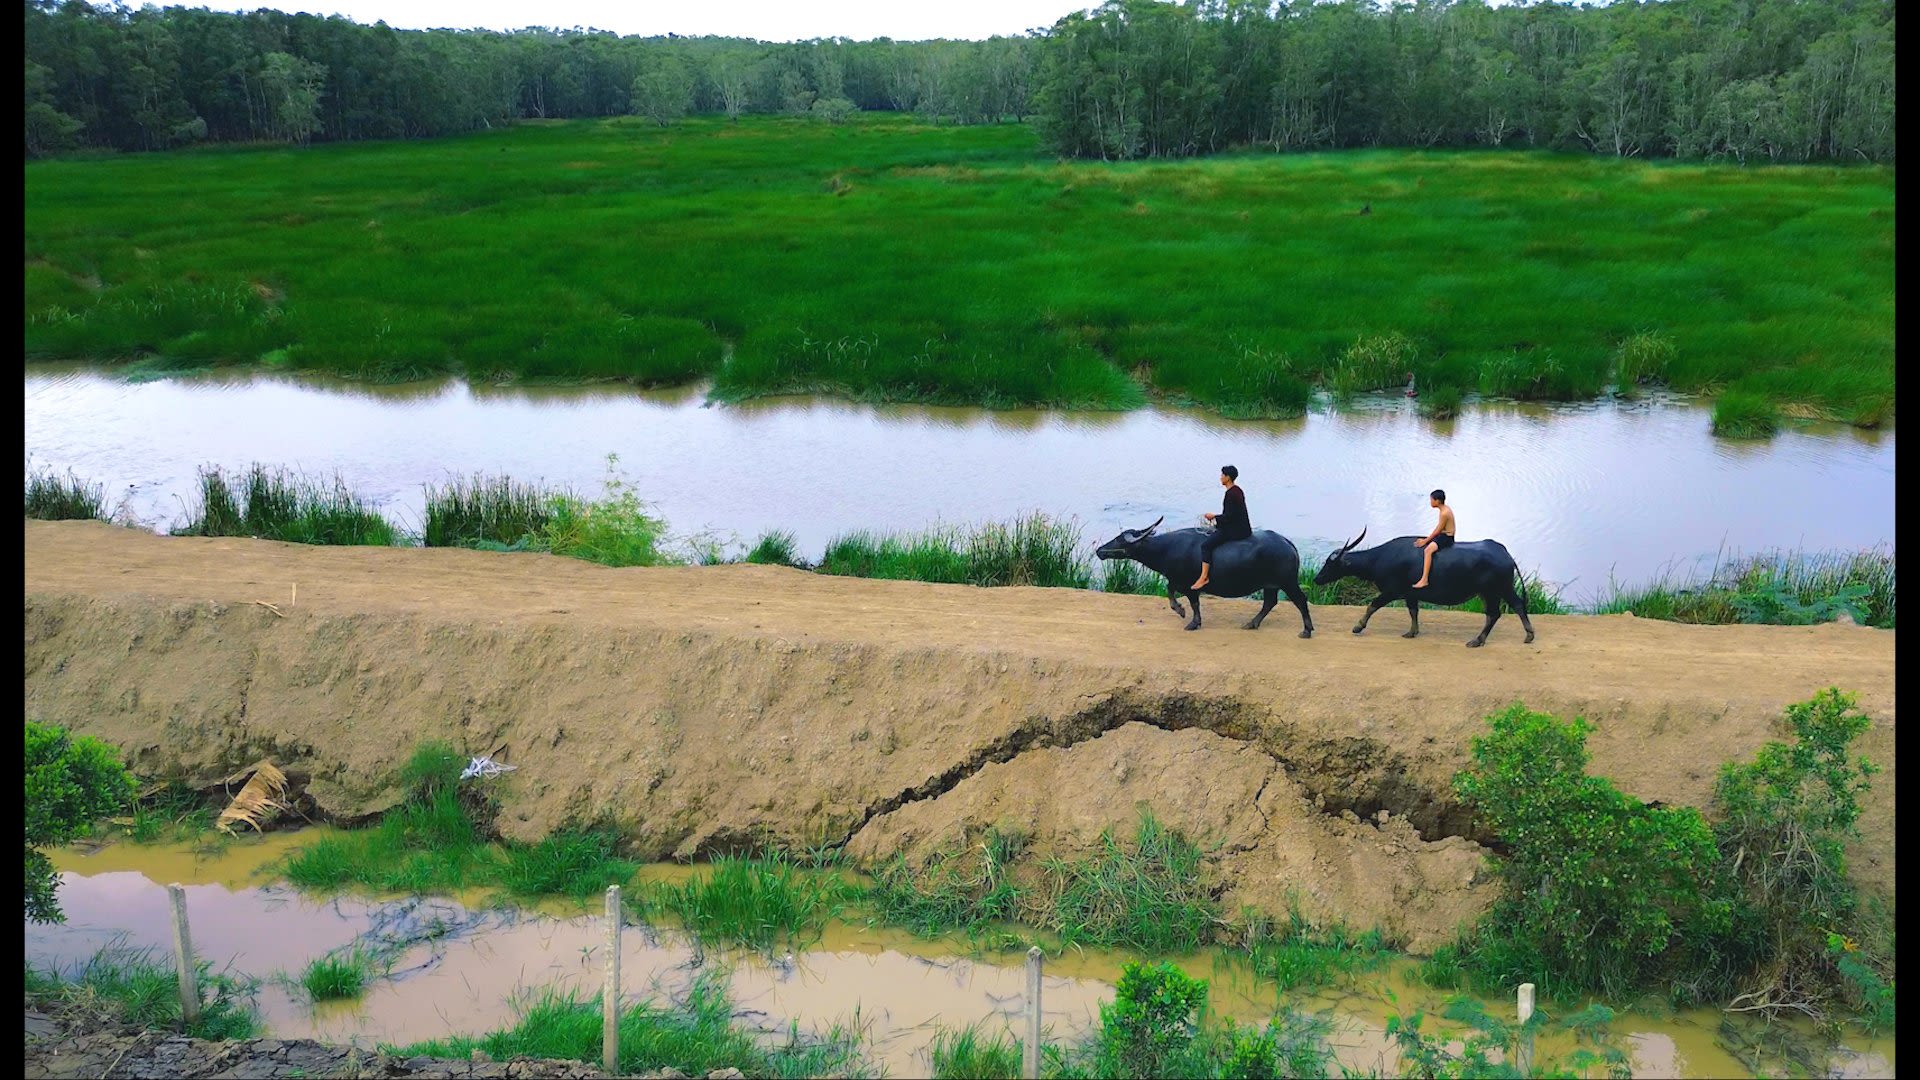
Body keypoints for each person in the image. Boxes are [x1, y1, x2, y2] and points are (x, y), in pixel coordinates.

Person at [1192, 466, 1250, 590]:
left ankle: (1204, 577)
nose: (1220, 477)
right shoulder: (1237, 490)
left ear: (1228, 477)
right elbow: (1233, 514)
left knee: (1206, 546)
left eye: (1222, 475)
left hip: (1236, 530)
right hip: (1243, 527)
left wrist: (1213, 517)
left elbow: (1229, 516)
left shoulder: (1230, 494)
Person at [1411, 489, 1455, 589]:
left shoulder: (1444, 513)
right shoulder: (1444, 509)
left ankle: (1424, 579)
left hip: (1447, 538)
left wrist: (1426, 541)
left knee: (1428, 550)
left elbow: (1438, 531)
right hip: (1443, 534)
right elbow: (1439, 528)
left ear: (1437, 501)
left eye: (1431, 500)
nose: (1430, 502)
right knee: (1425, 540)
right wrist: (1426, 539)